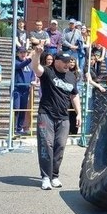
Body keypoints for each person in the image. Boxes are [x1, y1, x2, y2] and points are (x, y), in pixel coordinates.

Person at [31, 49, 81, 190]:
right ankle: (46, 177)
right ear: (56, 61)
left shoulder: (71, 76)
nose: (67, 64)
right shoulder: (48, 72)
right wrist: (37, 54)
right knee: (47, 145)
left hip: (63, 116)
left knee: (60, 146)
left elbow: (74, 95)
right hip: (46, 114)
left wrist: (78, 113)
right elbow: (35, 67)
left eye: (69, 62)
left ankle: (54, 176)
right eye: (64, 62)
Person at [14, 47, 34, 135]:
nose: (23, 54)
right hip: (17, 88)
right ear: (18, 53)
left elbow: (32, 74)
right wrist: (29, 58)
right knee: (16, 108)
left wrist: (32, 81)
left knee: (23, 109)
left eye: (24, 52)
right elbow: (19, 66)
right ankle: (14, 126)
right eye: (21, 52)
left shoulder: (29, 63)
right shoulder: (16, 61)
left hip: (26, 89)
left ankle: (19, 127)